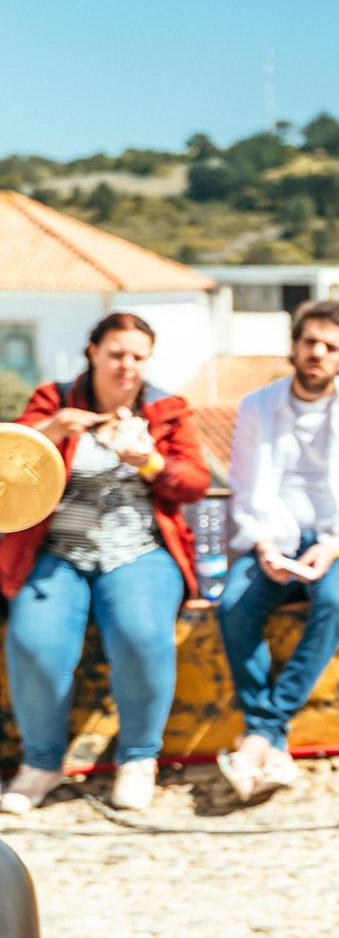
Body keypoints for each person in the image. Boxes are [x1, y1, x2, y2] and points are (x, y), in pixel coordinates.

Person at [0, 313, 209, 815]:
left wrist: (150, 462)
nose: (127, 367)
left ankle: (139, 759)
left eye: (138, 357)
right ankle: (42, 763)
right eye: (117, 354)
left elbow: (195, 481)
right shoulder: (55, 400)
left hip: (137, 550)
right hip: (58, 552)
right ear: (92, 352)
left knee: (142, 635)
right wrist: (51, 431)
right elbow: (11, 457)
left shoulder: (166, 410)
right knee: (33, 641)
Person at [217, 298, 339, 802]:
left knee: (336, 601)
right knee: (234, 605)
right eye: (309, 342)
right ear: (294, 348)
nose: (317, 353)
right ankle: (268, 739)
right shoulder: (257, 405)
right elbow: (246, 487)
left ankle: (261, 731)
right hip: (273, 541)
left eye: (330, 347)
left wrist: (335, 544)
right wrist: (265, 546)